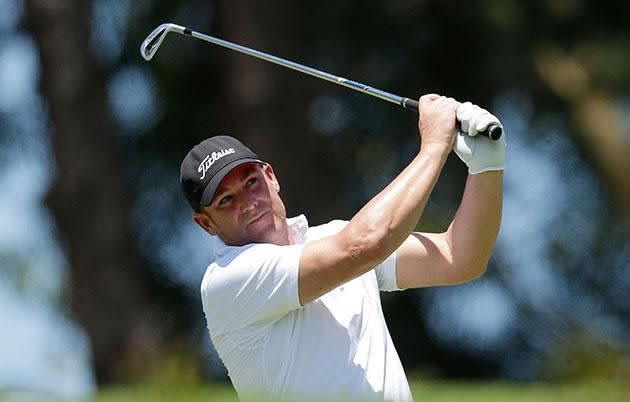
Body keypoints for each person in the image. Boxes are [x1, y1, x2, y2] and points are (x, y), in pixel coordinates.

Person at [179, 95, 505, 402]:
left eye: (251, 182)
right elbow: (365, 244)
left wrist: (486, 164)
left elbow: (459, 258)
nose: (248, 203)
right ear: (206, 224)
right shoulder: (229, 280)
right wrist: (434, 147)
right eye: (226, 200)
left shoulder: (334, 237)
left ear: (270, 176)